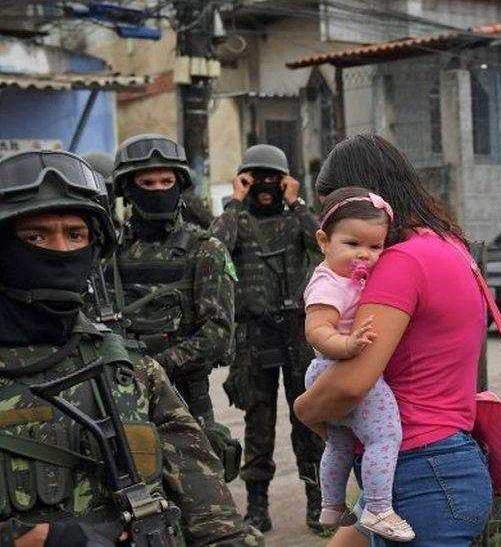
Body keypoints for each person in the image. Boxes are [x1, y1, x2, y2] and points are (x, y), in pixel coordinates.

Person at [0, 149, 261, 546]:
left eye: (75, 234)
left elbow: (213, 518)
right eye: (35, 236)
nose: (60, 250)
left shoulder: (132, 370)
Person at [295, 134, 492, 546]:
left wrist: (304, 408)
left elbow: (351, 383)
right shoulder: (448, 246)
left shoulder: (399, 263)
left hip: (421, 471)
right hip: (443, 463)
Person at [109, 134, 240, 478]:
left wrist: (153, 368)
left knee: (201, 510)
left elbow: (217, 335)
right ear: (127, 189)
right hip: (119, 400)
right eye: (147, 182)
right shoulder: (108, 253)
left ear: (179, 185)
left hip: (185, 401)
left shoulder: (205, 249)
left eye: (166, 181)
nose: (157, 189)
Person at [210, 143, 325, 532]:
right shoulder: (237, 219)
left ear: (285, 181)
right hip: (254, 335)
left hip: (296, 332)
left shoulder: (296, 219)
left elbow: (323, 245)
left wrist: (297, 204)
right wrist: (233, 201)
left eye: (272, 178)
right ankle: (257, 507)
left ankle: (317, 500)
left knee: (307, 419)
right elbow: (213, 250)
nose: (265, 185)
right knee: (258, 426)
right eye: (256, 177)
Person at [303, 187, 415, 541]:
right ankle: (379, 508)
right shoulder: (327, 282)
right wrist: (347, 345)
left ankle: (332, 505)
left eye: (375, 247)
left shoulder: (345, 276)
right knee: (385, 436)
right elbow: (316, 330)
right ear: (324, 241)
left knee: (339, 443)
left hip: (328, 369)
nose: (364, 255)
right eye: (352, 244)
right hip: (338, 365)